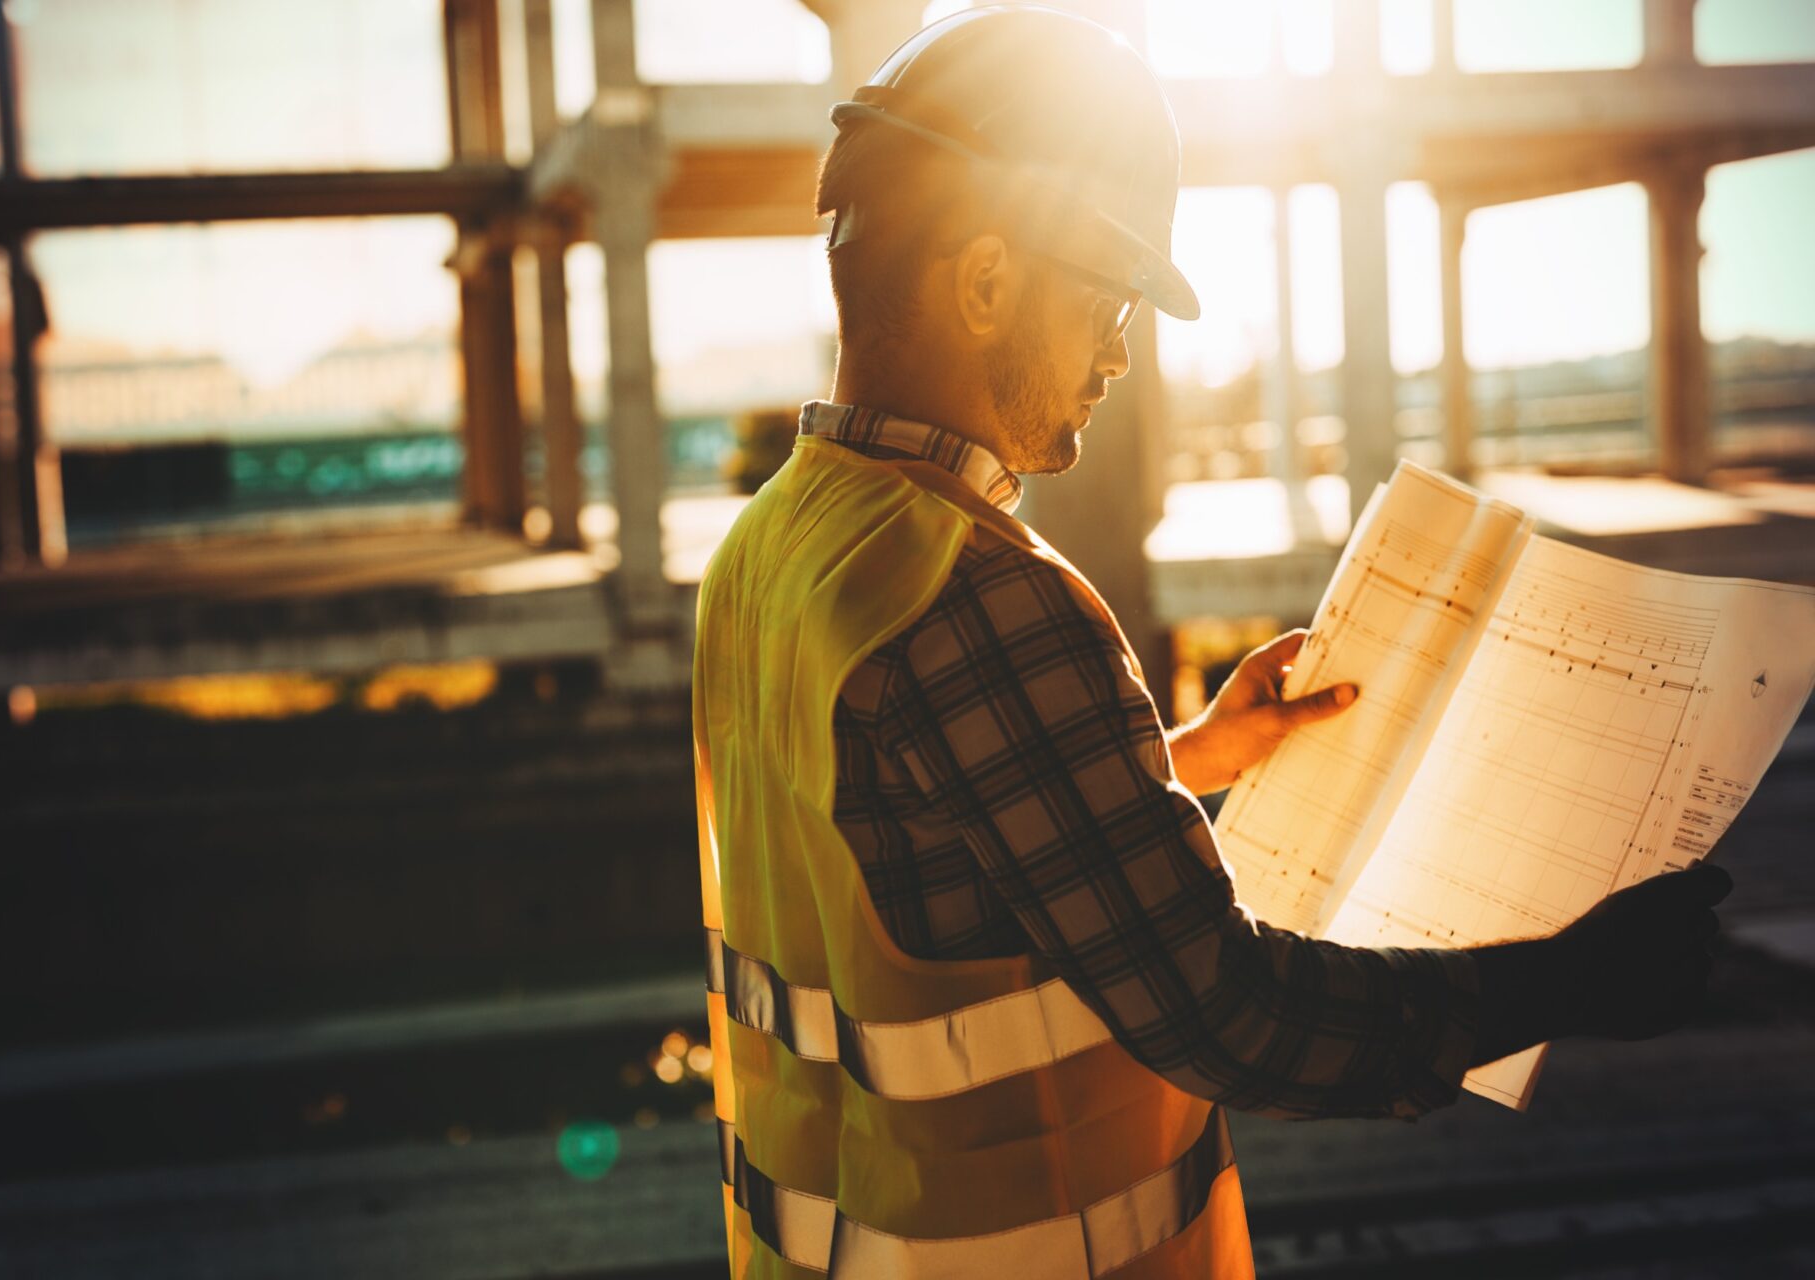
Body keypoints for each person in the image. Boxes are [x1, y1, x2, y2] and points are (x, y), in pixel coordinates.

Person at [691, 8, 1731, 1276]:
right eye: (1110, 296)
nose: (1122, 353)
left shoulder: (770, 551)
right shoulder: (986, 601)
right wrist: (1567, 983)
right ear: (983, 281)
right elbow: (1235, 1016)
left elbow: (909, 855)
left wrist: (1186, 755)